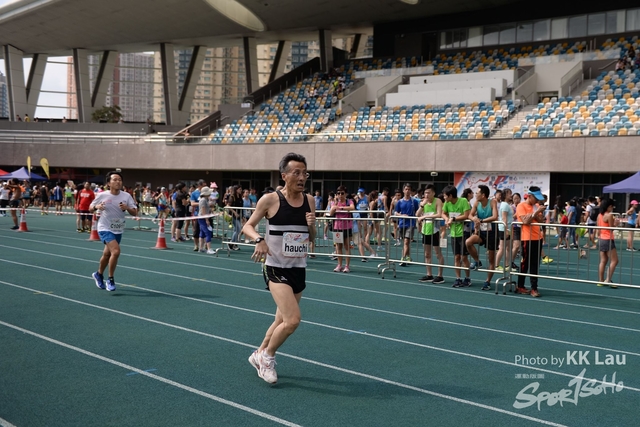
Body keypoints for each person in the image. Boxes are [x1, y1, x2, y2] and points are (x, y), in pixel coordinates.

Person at [243, 152, 316, 384]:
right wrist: (258, 240)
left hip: (298, 267)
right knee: (292, 320)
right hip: (275, 267)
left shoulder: (310, 200)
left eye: (305, 173)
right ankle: (267, 357)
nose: (302, 177)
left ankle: (258, 353)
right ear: (284, 175)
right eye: (296, 173)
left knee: (280, 320)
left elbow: (311, 237)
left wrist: (312, 226)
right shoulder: (270, 200)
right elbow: (248, 226)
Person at [90, 171, 138, 292]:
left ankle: (98, 274)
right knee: (116, 252)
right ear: (108, 183)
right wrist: (96, 207)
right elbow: (90, 208)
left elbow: (135, 212)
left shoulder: (126, 196)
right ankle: (110, 279)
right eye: (115, 180)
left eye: (120, 180)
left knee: (107, 254)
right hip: (104, 227)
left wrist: (127, 208)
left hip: (118, 228)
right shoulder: (102, 195)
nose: (118, 182)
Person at [515, 186, 546, 297]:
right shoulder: (521, 206)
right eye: (536, 198)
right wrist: (536, 212)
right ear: (529, 196)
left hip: (538, 238)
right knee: (525, 263)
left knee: (535, 264)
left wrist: (535, 213)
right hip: (527, 239)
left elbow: (541, 220)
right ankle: (520, 286)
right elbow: (525, 221)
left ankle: (534, 288)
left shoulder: (536, 206)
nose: (537, 200)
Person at [465, 185, 498, 291]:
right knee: (468, 242)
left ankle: (487, 281)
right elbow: (469, 215)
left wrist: (482, 221)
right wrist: (474, 219)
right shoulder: (476, 203)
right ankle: (477, 261)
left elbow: (495, 217)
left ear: (483, 195)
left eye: (477, 193)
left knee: (491, 260)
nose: (475, 194)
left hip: (492, 233)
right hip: (481, 232)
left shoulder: (492, 202)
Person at [441, 185, 472, 287]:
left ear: (450, 195)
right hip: (453, 233)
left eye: (445, 196)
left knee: (464, 257)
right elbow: (443, 213)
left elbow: (466, 215)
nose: (444, 197)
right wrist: (446, 218)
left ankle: (467, 278)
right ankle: (458, 278)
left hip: (464, 232)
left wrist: (453, 219)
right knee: (456, 257)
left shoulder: (463, 201)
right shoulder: (447, 203)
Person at [417, 184, 444, 284]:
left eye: (428, 193)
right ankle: (429, 275)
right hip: (425, 230)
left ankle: (440, 276)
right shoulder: (423, 202)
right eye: (425, 193)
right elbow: (417, 214)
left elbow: (439, 214)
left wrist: (424, 217)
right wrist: (422, 205)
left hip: (435, 231)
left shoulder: (437, 201)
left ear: (433, 193)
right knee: (427, 254)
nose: (426, 195)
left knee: (438, 253)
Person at [329, 185, 354, 272]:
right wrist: (335, 204)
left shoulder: (349, 201)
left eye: (342, 193)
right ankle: (339, 265)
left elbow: (352, 208)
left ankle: (347, 266)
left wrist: (341, 208)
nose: (340, 195)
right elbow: (331, 213)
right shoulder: (334, 202)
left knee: (347, 246)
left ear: (345, 194)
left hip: (347, 227)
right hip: (337, 227)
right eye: (338, 193)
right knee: (338, 246)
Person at [395, 183, 420, 267]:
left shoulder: (414, 201)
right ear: (403, 190)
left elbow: (417, 211)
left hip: (411, 223)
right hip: (402, 224)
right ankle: (408, 257)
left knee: (406, 241)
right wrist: (402, 215)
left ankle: (403, 258)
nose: (407, 191)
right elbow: (396, 212)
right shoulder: (400, 202)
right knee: (405, 242)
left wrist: (418, 219)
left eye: (409, 189)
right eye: (406, 189)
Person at [597, 198, 619, 288]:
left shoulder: (599, 215)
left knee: (603, 261)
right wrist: (616, 224)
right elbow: (611, 228)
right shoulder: (609, 215)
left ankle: (601, 280)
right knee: (614, 260)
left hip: (601, 238)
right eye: (612, 207)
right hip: (608, 239)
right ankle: (608, 280)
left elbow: (598, 228)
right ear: (609, 206)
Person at [197, 186, 215, 254]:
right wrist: (207, 220)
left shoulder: (206, 199)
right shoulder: (203, 200)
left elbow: (206, 209)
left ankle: (201, 248)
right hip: (202, 218)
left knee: (202, 233)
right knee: (208, 233)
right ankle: (209, 249)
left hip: (203, 218)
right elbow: (203, 210)